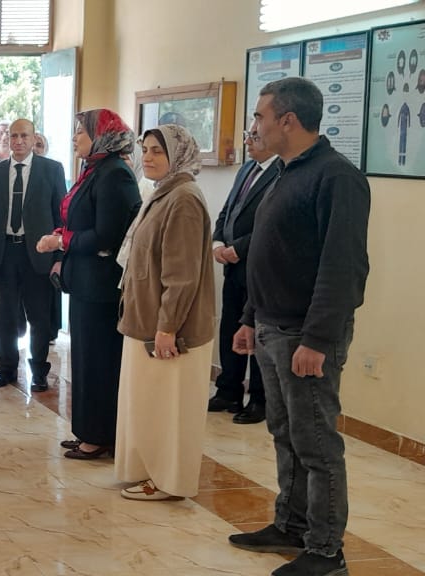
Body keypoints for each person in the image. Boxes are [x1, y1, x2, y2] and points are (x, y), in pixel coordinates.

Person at [228, 77, 370, 576]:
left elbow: (343, 268)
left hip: (303, 336)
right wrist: (249, 318)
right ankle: (291, 525)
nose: (255, 126)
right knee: (285, 433)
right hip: (271, 327)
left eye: (260, 116)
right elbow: (270, 252)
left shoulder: (337, 177)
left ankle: (326, 551)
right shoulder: (283, 173)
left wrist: (317, 340)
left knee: (316, 444)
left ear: (287, 120)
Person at [114, 125, 216, 501]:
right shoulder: (163, 193)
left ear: (178, 154)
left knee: (170, 410)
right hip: (146, 321)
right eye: (145, 149)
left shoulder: (184, 199)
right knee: (149, 405)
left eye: (158, 150)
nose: (148, 157)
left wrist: (167, 327)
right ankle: (146, 471)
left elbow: (182, 274)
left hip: (170, 329)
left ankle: (167, 480)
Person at [36, 108, 141, 460]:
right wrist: (61, 235)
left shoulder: (115, 173)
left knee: (98, 362)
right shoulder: (93, 169)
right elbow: (79, 220)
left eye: (81, 131)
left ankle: (99, 436)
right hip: (84, 282)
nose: (74, 137)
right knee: (83, 360)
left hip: (102, 286)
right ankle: (86, 430)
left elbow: (108, 234)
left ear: (101, 136)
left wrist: (61, 241)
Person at [0, 119, 66, 392]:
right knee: (4, 315)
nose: (18, 141)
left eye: (24, 136)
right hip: (4, 252)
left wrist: (59, 257)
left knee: (39, 316)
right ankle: (6, 369)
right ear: (7, 139)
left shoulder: (51, 170)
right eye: (14, 136)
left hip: (38, 254)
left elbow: (61, 216)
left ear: (33, 139)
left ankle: (39, 371)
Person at [208, 130, 280, 425]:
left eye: (254, 136)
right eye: (247, 135)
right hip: (233, 266)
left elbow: (273, 224)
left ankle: (260, 399)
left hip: (262, 267)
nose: (247, 141)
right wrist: (218, 242)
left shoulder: (282, 172)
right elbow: (228, 211)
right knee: (231, 328)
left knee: (258, 332)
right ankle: (229, 390)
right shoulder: (247, 168)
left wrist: (239, 248)